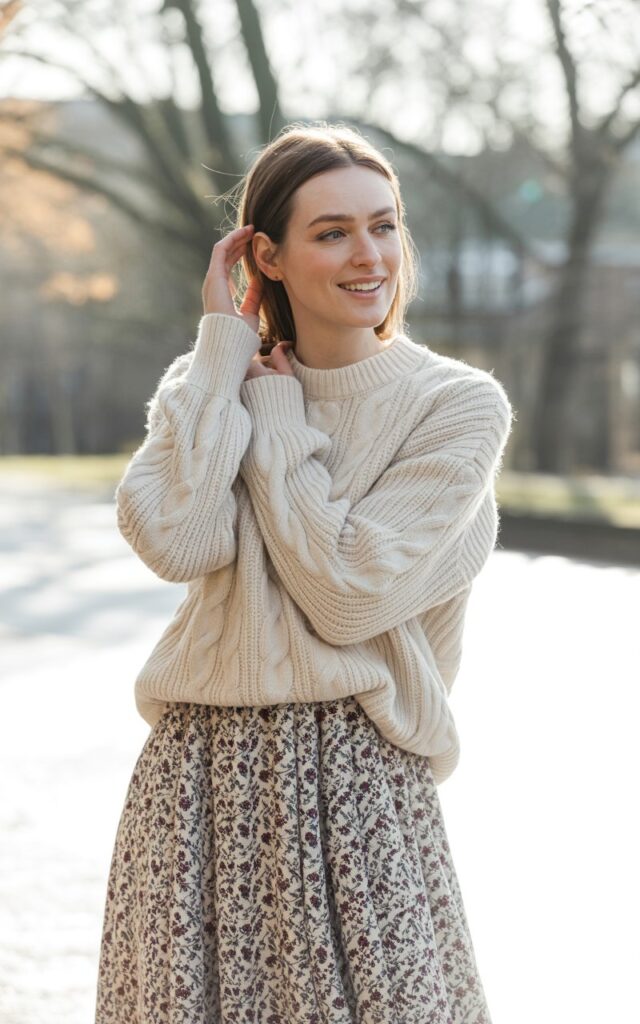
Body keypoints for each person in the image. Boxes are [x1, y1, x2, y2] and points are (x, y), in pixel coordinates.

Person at [95, 121, 513, 1024]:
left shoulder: (455, 407)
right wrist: (220, 350)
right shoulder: (208, 382)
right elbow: (174, 539)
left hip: (357, 783)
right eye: (332, 232)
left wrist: (279, 421)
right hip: (199, 780)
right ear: (267, 258)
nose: (370, 255)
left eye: (384, 224)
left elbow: (345, 591)